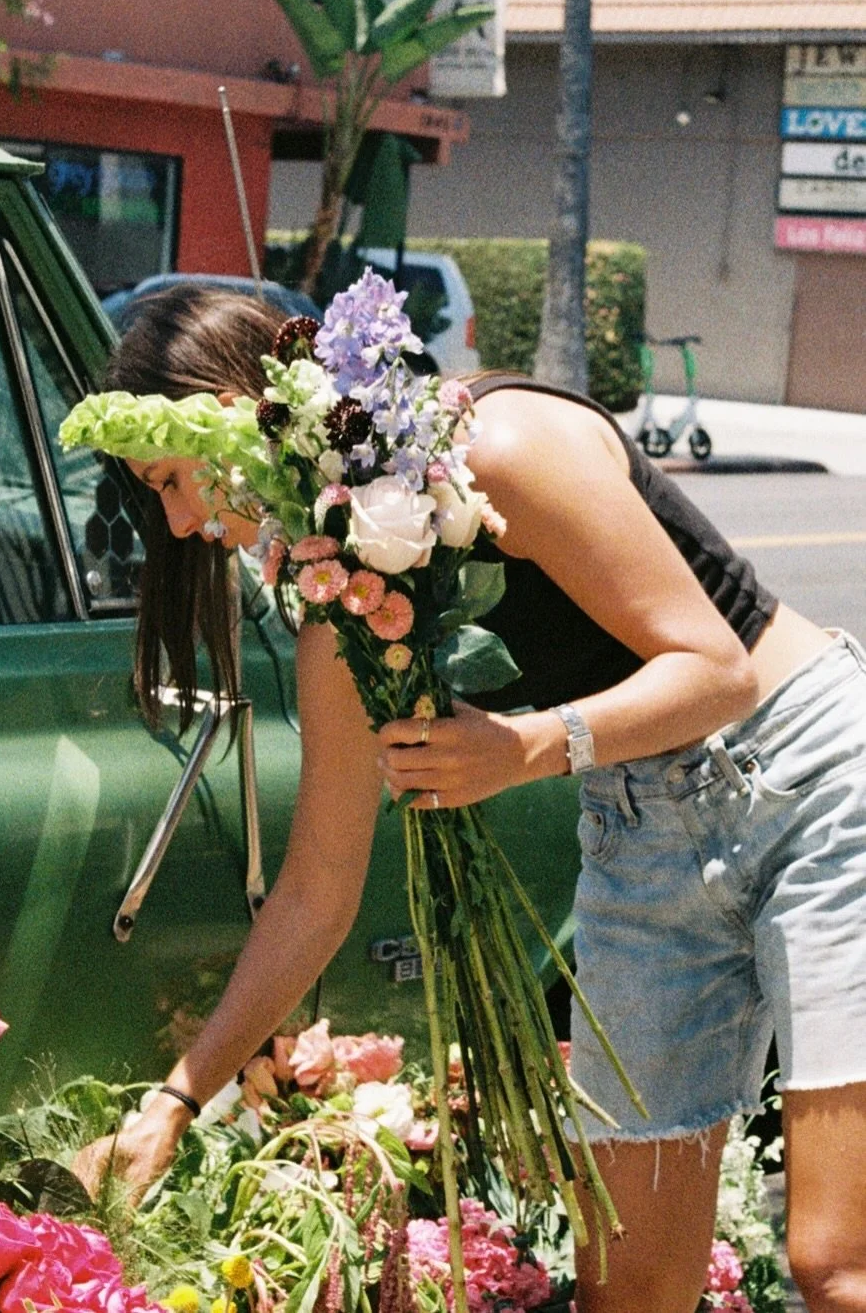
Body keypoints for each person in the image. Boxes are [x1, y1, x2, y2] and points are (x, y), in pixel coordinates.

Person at [72, 285, 866, 1313]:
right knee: (628, 1289)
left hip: (808, 780)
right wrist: (176, 1101)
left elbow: (717, 671)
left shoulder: (498, 447)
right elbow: (314, 892)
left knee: (834, 1264)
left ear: (233, 413)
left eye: (170, 481)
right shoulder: (336, 593)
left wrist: (523, 746)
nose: (179, 522)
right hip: (638, 823)